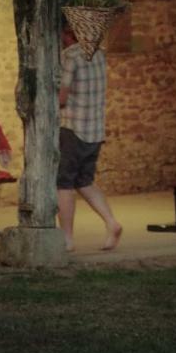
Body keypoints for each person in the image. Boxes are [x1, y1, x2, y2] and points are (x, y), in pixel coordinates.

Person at [56, 25, 123, 252]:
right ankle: (112, 223)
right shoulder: (100, 54)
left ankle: (66, 238)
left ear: (69, 35)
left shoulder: (70, 55)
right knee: (84, 181)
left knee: (63, 183)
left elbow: (62, 97)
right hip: (95, 129)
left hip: (73, 128)